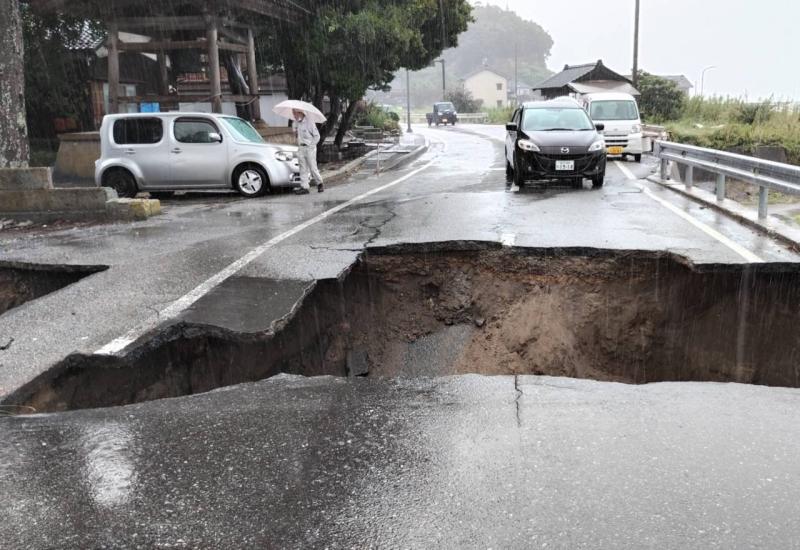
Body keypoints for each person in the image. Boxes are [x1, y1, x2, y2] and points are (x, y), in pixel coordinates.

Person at [293, 109, 324, 194]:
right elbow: (297, 137)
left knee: (312, 167)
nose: (294, 115)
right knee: (302, 168)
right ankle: (304, 187)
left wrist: (311, 146)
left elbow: (317, 136)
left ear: (300, 113)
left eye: (295, 112)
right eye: (293, 113)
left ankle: (320, 183)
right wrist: (295, 133)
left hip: (310, 147)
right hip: (301, 148)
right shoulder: (295, 123)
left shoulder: (309, 123)